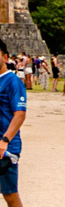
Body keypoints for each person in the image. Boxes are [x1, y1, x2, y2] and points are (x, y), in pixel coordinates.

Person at [0, 39, 28, 206]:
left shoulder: (12, 81)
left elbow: (20, 114)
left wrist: (5, 140)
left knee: (9, 194)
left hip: (6, 145)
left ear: (5, 57)